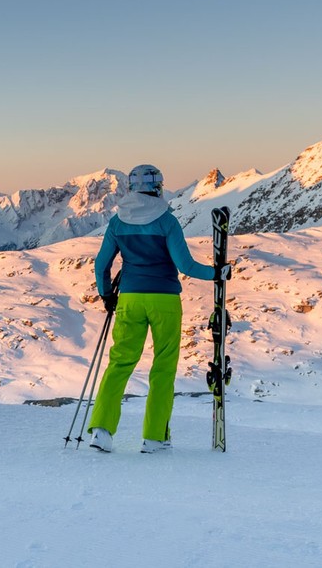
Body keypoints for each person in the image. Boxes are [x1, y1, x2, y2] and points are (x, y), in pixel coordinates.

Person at [87, 164, 230, 453]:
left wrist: (106, 295)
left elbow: (101, 264)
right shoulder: (167, 222)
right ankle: (154, 437)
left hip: (129, 299)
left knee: (119, 364)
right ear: (157, 187)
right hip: (164, 300)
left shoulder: (117, 223)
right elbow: (185, 266)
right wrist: (217, 273)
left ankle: (101, 432)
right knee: (163, 368)